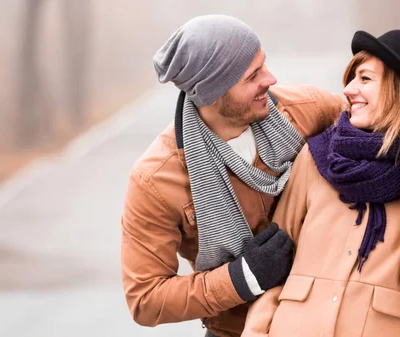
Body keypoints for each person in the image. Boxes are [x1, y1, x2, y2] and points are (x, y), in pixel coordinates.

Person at [119, 15, 346, 337]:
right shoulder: (156, 179)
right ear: (213, 92)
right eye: (252, 76)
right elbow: (145, 299)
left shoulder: (310, 110)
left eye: (263, 64)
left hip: (326, 322)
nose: (270, 79)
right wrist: (242, 278)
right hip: (236, 331)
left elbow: (380, 126)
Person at [241, 29, 400, 337]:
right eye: (351, 79)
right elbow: (275, 263)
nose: (349, 90)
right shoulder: (315, 158)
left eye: (364, 79)